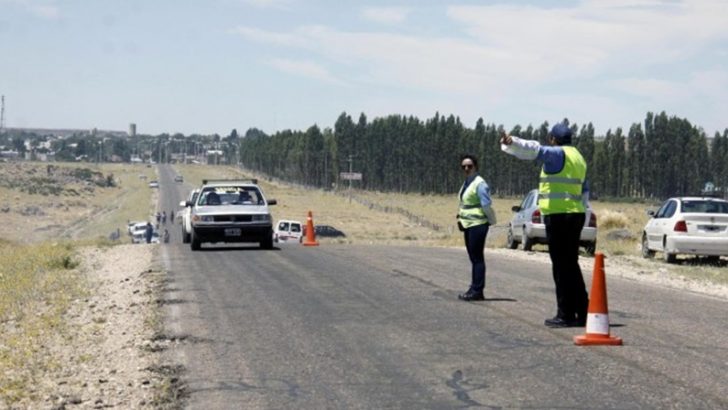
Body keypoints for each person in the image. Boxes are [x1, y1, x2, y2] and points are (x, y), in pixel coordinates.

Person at [500, 122, 589, 327]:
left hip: (558, 216)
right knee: (571, 265)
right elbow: (585, 191)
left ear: (553, 139)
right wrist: (580, 212)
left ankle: (565, 313)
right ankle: (583, 311)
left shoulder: (557, 154)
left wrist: (512, 141)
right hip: (575, 215)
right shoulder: (579, 158)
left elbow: (533, 149)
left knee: (560, 266)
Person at [457, 154, 497, 301]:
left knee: (477, 258)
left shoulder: (480, 184)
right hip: (468, 225)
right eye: (464, 166)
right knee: (474, 258)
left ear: (476, 167)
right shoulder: (467, 182)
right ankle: (474, 287)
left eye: (469, 166)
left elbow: (486, 205)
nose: (466, 169)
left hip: (478, 225)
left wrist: (491, 221)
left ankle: (477, 290)